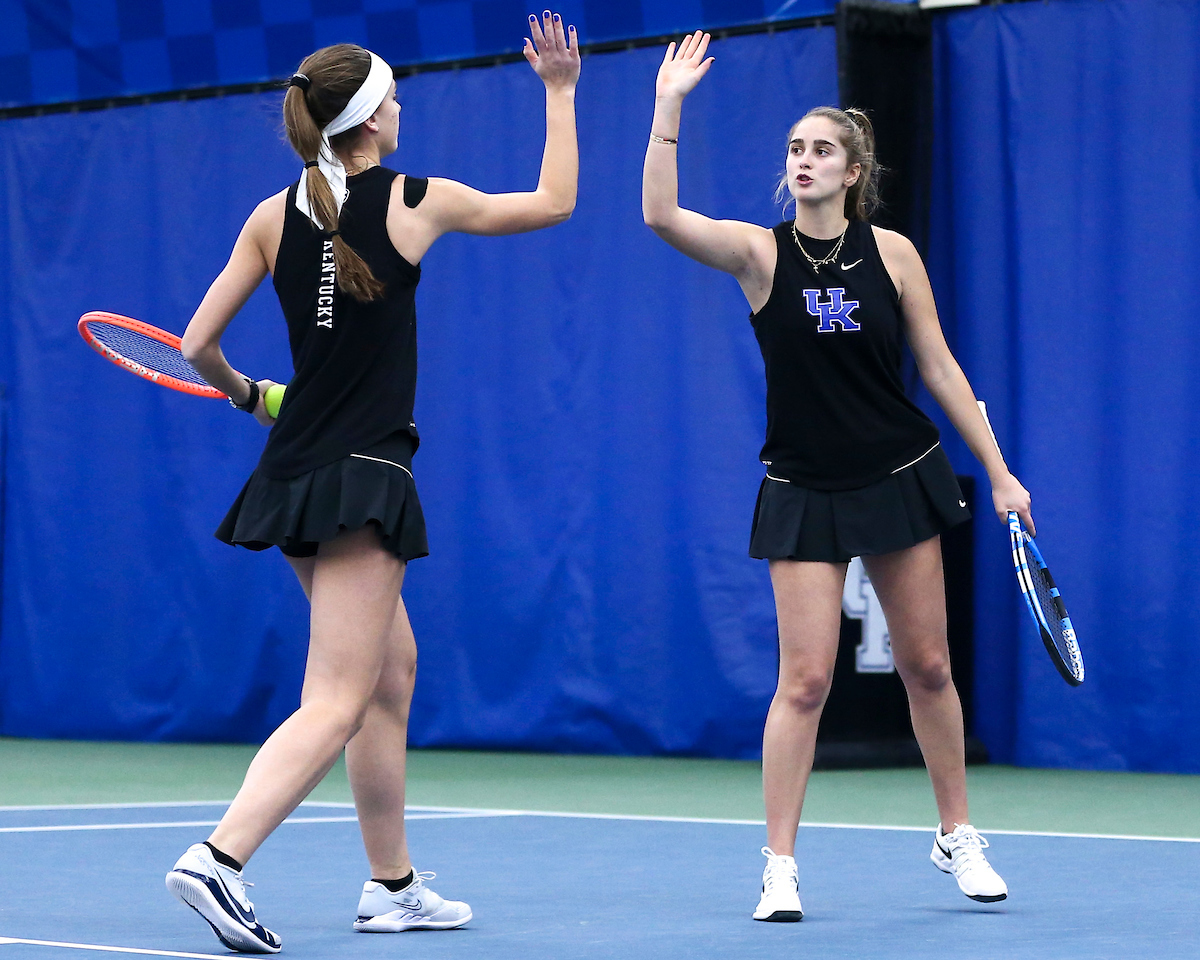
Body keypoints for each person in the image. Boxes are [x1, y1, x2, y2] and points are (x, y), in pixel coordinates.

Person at [165, 13, 580, 953]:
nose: (403, 107)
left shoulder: (271, 215)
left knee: (390, 677)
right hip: (361, 475)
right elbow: (555, 201)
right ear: (369, 118)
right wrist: (558, 91)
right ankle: (217, 860)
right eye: (393, 96)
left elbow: (195, 347)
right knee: (339, 696)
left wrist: (250, 398)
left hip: (295, 468)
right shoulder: (414, 200)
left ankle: (391, 886)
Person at [641, 32, 1032, 922]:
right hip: (803, 486)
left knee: (929, 667)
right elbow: (661, 216)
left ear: (854, 170)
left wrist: (999, 473)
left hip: (898, 473)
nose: (804, 161)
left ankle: (957, 833)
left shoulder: (893, 256)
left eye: (821, 150)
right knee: (805, 681)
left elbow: (940, 368)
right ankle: (779, 864)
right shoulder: (757, 253)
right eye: (795, 150)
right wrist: (669, 109)